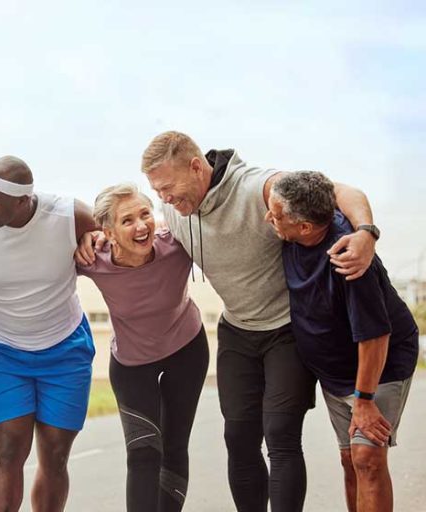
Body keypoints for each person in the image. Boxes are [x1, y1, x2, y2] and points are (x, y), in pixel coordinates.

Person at [79, 131, 377, 512]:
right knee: (238, 438)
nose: (164, 200)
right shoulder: (175, 215)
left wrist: (366, 232)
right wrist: (89, 235)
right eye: (158, 192)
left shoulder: (256, 187)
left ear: (196, 167)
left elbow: (336, 192)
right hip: (237, 331)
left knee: (281, 436)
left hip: (284, 329)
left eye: (167, 188)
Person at [0, 155, 98, 512]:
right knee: (8, 450)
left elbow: (109, 233)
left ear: (22, 201)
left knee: (55, 454)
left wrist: (95, 235)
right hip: (2, 350)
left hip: (64, 348)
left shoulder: (69, 216)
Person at [265, 171, 418, 512]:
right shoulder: (299, 224)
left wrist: (364, 400)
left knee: (367, 458)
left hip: (380, 366)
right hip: (334, 371)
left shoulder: (349, 261)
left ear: (305, 226)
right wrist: (368, 229)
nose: (267, 219)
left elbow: (376, 336)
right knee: (350, 459)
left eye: (275, 215)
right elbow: (337, 188)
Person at [76, 183, 209, 511]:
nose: (141, 226)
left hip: (187, 351)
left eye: (145, 214)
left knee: (174, 446)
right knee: (142, 453)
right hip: (132, 363)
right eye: (127, 220)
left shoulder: (176, 246)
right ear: (108, 231)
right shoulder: (92, 260)